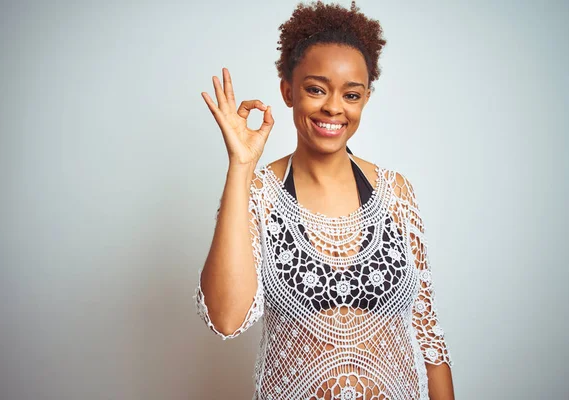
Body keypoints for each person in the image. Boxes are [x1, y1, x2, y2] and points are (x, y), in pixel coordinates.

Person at [193, 1, 454, 399]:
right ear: (288, 91)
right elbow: (226, 319)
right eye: (316, 89)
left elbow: (428, 333)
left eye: (351, 94)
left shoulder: (395, 192)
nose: (334, 107)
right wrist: (241, 167)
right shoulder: (259, 195)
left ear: (365, 98)